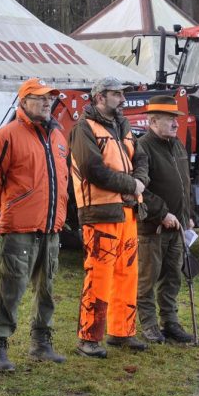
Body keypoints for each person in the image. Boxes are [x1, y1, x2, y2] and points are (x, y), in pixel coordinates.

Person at [0, 78, 69, 371]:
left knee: (48, 287)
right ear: (24, 101)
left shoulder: (58, 135)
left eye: (50, 98)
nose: (47, 102)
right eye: (40, 98)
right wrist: (10, 204)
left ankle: (41, 343)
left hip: (52, 226)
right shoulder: (8, 135)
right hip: (21, 227)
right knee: (12, 287)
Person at [69, 76, 148, 358]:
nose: (123, 100)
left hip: (126, 211)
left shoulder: (123, 126)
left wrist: (139, 181)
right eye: (117, 94)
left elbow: (141, 158)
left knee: (127, 273)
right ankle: (88, 339)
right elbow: (93, 169)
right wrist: (131, 185)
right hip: (100, 213)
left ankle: (122, 332)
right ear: (99, 97)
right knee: (99, 275)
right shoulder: (83, 129)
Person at [136, 95, 195, 344]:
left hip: (179, 226)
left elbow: (185, 183)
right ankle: (149, 324)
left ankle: (170, 322)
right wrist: (162, 214)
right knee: (148, 277)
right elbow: (140, 189)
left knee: (174, 276)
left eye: (175, 118)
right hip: (153, 228)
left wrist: (187, 215)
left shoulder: (177, 145)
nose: (175, 123)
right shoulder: (142, 147)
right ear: (152, 120)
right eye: (169, 119)